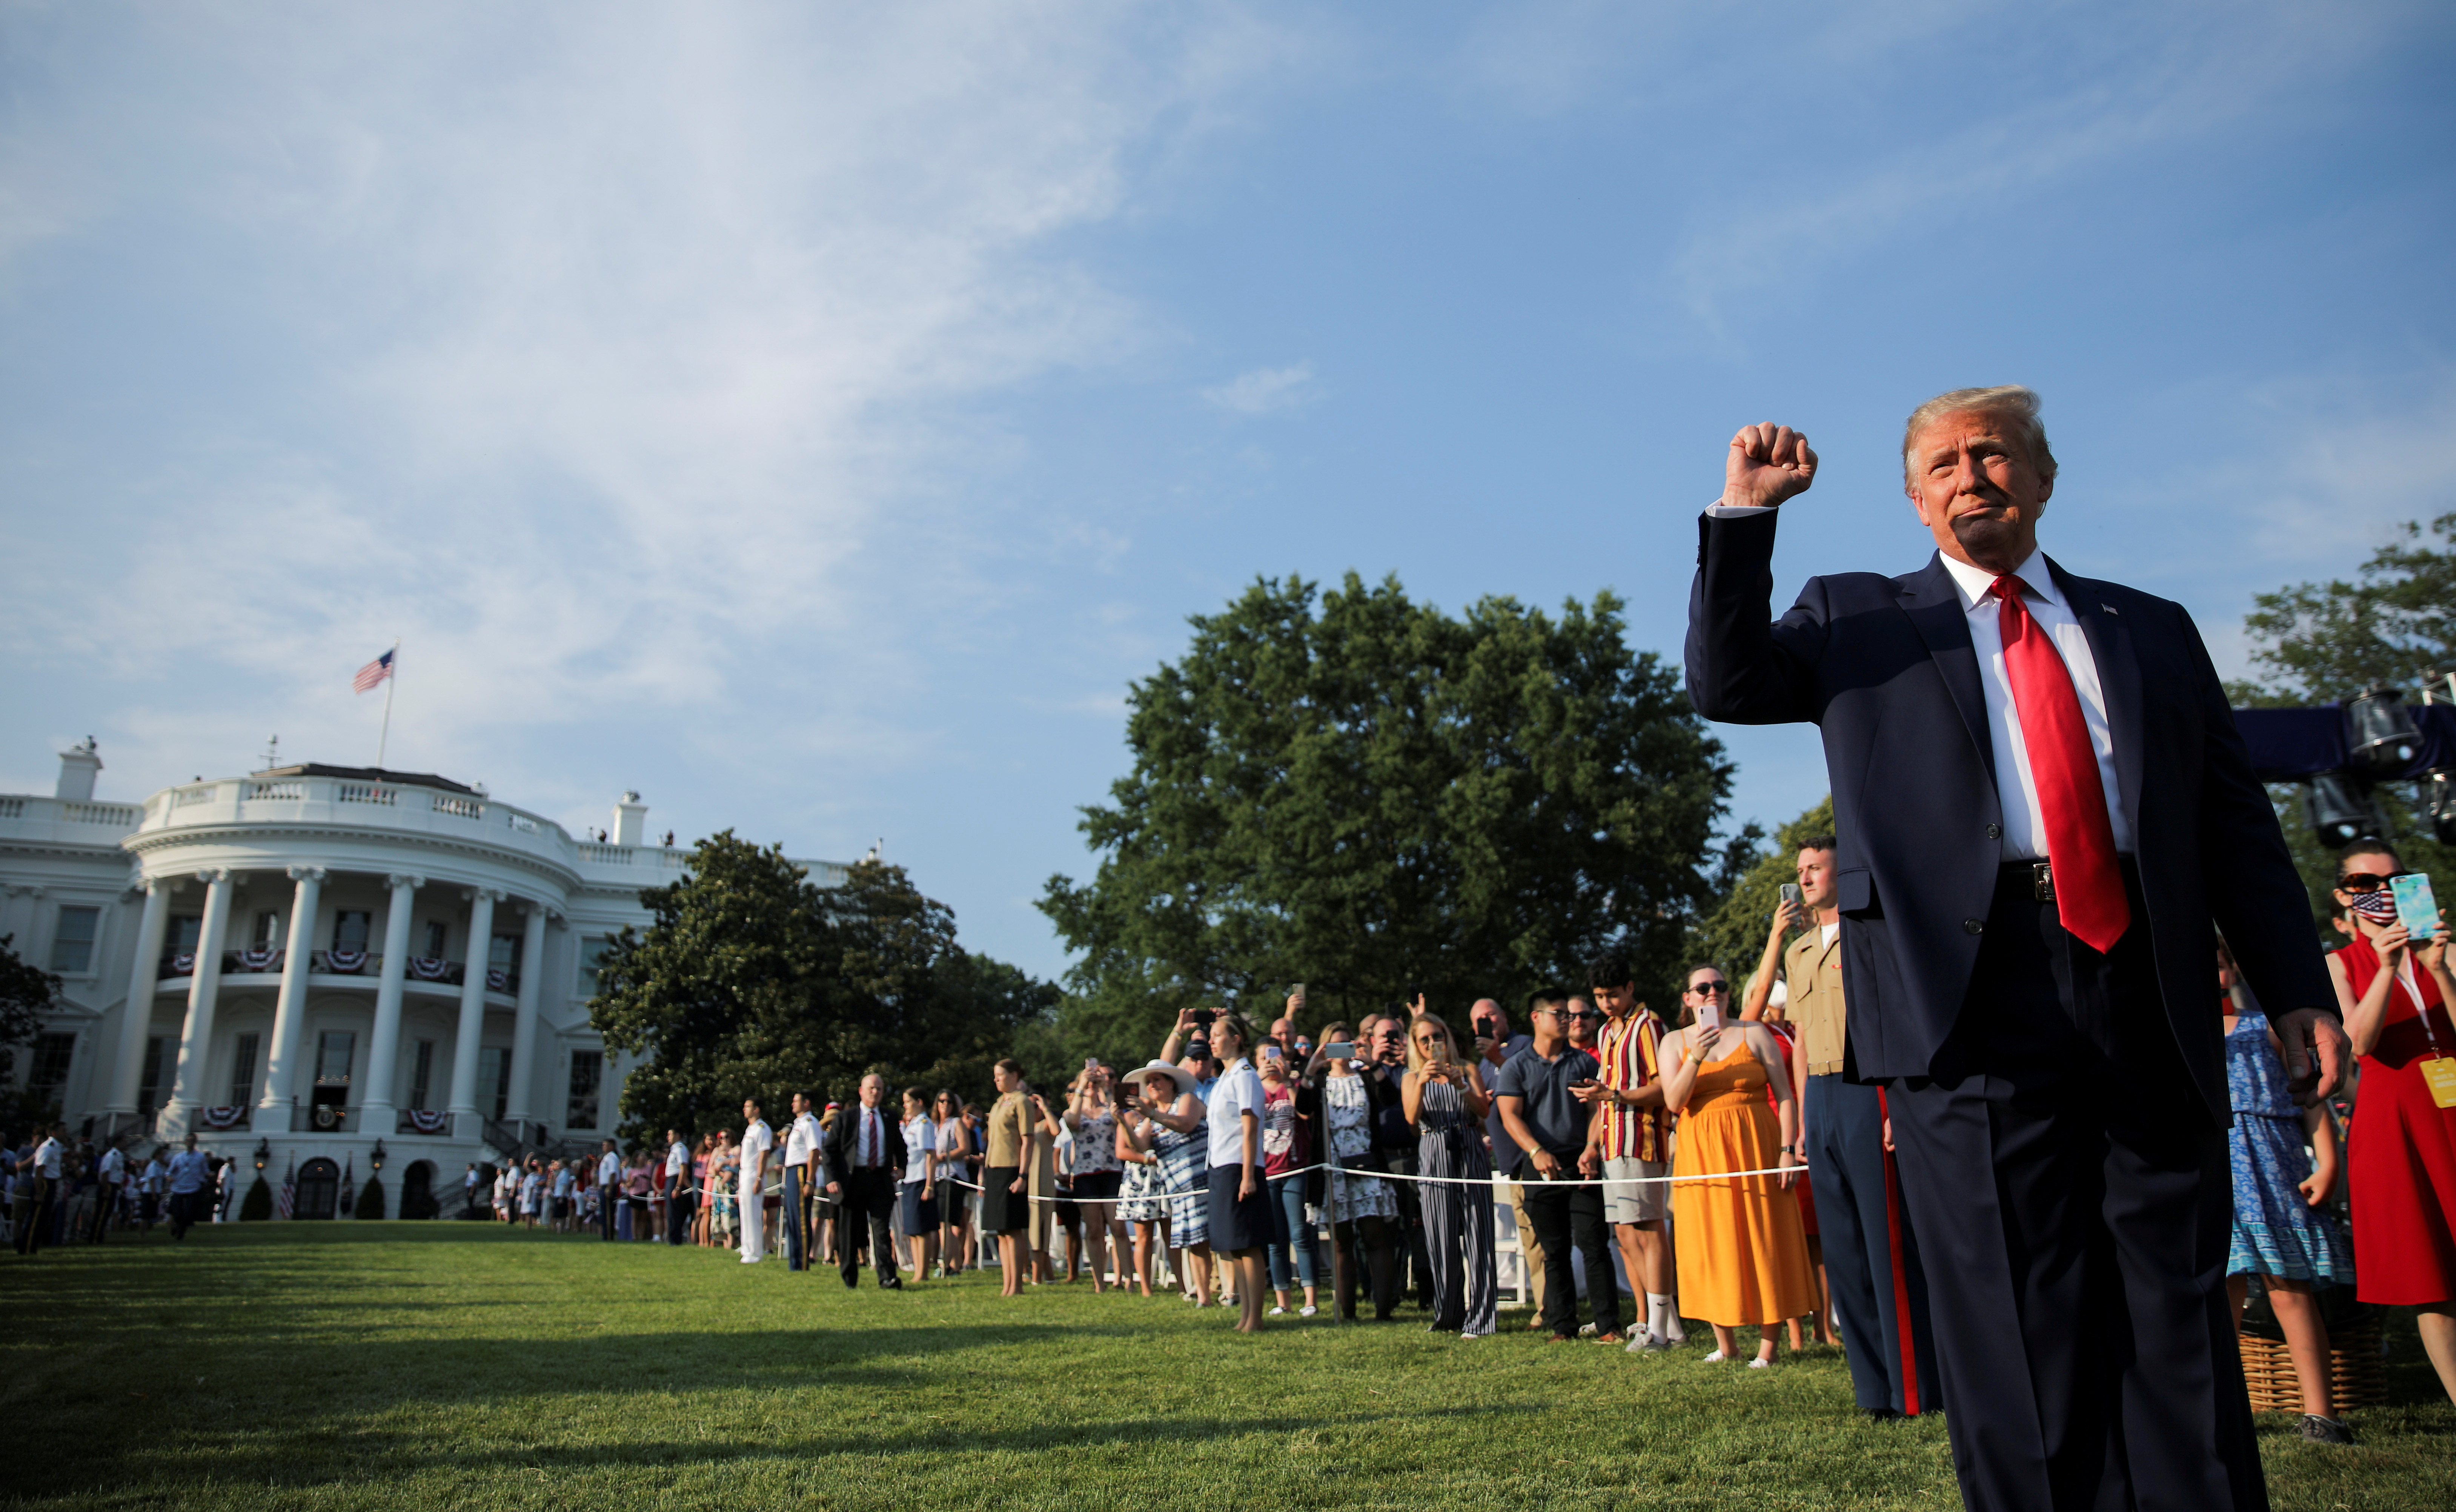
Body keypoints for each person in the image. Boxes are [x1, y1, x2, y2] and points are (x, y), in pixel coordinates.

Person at [1684, 389, 2348, 1511]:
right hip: (1965, 999)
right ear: (1913, 498)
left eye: (1993, 453)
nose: (1968, 475)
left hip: (2146, 983)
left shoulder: (2152, 627)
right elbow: (1727, 682)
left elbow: (2233, 823)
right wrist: (1745, 514)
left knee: (2174, 1300)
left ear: (2042, 478)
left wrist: (2295, 987)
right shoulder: (1856, 618)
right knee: (2011, 1307)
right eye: (1941, 463)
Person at [1743, 838, 1937, 1416]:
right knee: (1845, 1253)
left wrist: (1893, 1105)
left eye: (1814, 867)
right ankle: (1872, 1392)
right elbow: (1794, 1039)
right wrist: (1799, 1123)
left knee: (1888, 1247)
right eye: (1798, 870)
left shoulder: (1870, 936)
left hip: (1866, 1088)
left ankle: (1914, 1390)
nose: (1803, 878)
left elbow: (1895, 1023)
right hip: (1821, 1100)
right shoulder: (1800, 951)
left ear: (1840, 871)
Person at [2324, 841, 2456, 1406]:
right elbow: (2358, 1041)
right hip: (2396, 1120)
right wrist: (2386, 965)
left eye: (2394, 880)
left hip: (2449, 1106)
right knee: (2431, 1275)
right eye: (2362, 884)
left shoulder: (2442, 948)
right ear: (2343, 896)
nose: (2379, 892)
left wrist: (2438, 969)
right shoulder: (2338, 962)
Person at [2219, 940, 2358, 1442]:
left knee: (2289, 1290)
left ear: (2233, 967)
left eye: (2215, 964)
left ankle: (2321, 1414)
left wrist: (2326, 1163)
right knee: (2219, 1294)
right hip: (2215, 1175)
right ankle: (2218, 1409)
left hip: (2273, 1172)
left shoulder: (2266, 1028)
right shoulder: (2177, 1035)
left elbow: (2312, 1103)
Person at [1660, 964, 1817, 1366]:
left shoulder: (1755, 1033)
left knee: (1767, 1235)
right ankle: (1726, 1344)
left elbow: (1784, 1095)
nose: (1713, 993)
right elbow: (1674, 1102)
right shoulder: (1675, 1041)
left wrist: (1787, 1148)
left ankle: (1769, 1348)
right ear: (1688, 998)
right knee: (1711, 1240)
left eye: (1720, 986)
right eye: (1703, 987)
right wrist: (1696, 1055)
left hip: (1757, 1145)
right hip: (1702, 1154)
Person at [1493, 990, 1621, 1344]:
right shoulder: (1517, 1066)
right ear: (1536, 1018)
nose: (1568, 1020)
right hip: (1540, 1166)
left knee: (1595, 1246)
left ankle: (1609, 1325)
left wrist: (1592, 1147)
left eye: (1569, 1014)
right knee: (1554, 1250)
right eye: (1559, 1014)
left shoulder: (1582, 1063)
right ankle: (1562, 1327)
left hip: (1582, 1164)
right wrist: (1535, 1151)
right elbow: (1510, 1115)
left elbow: (1597, 1110)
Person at [1575, 951, 1678, 1352]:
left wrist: (1617, 1096)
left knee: (1650, 1228)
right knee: (1624, 1232)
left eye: (1613, 995)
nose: (1606, 1003)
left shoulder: (1649, 1026)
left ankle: (1662, 1327)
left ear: (1631, 988)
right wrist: (1592, 1144)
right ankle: (1650, 1319)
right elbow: (1604, 1097)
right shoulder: (1605, 1032)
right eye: (1600, 996)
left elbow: (1663, 1087)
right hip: (1613, 1142)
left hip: (1644, 1137)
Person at [1404, 1011, 1497, 1337]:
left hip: (1469, 1146)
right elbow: (1412, 1120)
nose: (1433, 1044)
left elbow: (1485, 1111)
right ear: (1416, 1045)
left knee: (1479, 1233)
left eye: (1438, 1036)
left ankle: (1483, 1317)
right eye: (1425, 1039)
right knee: (1441, 1237)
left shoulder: (1468, 1069)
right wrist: (1422, 1081)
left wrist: (1461, 1086)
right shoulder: (1410, 1077)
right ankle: (1449, 1314)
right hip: (1433, 1150)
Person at [1314, 1024, 1399, 1321]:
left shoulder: (1364, 1077)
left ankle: (1384, 1310)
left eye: (1345, 1044)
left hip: (1367, 1162)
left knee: (1375, 1235)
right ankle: (1347, 1312)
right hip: (1333, 1167)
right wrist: (1313, 1069)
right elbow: (1303, 1107)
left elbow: (1390, 1097)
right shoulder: (1321, 1080)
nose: (1341, 1050)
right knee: (1341, 1242)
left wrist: (1373, 1062)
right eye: (1334, 1045)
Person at [1123, 1058, 1212, 1305]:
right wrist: (1122, 1121)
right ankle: (1204, 1295)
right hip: (1179, 1189)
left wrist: (1151, 1113)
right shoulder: (1153, 1117)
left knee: (1210, 1242)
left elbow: (1185, 1124)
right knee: (1194, 1243)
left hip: (1202, 1182)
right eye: (1148, 1082)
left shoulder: (1186, 1100)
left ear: (1171, 1083)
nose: (1152, 1086)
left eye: (1157, 1080)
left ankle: (1226, 1291)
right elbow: (1140, 1145)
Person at [1205, 1013, 1273, 1332]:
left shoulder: (1246, 1075)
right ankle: (1245, 1315)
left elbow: (1250, 1128)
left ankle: (1255, 1318)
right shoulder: (1225, 1077)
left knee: (1248, 1243)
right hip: (1221, 1166)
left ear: (1235, 1039)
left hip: (1240, 1166)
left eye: (1217, 1034)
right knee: (1234, 1245)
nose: (1211, 1040)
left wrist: (1248, 1175)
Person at [1258, 1039, 1322, 1317]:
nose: (1269, 1062)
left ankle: (1311, 1299)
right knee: (1276, 1239)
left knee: (1300, 1234)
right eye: (1263, 1058)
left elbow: (1304, 1112)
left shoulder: (1291, 1085)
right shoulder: (1252, 1089)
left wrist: (1288, 1081)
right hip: (1267, 1172)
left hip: (1295, 1169)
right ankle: (1282, 1300)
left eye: (1273, 1057)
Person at [822, 1073, 903, 1289]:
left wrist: (902, 1168)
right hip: (852, 1181)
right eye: (871, 1088)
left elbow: (900, 1146)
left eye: (879, 1089)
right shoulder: (845, 1118)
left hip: (880, 1180)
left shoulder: (889, 1117)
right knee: (849, 1232)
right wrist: (832, 1179)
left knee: (881, 1232)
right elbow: (829, 1151)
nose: (875, 1092)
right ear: (861, 1091)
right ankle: (850, 1278)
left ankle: (887, 1278)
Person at [1065, 1063, 1127, 1293]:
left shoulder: (1108, 1108)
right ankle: (1099, 1282)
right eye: (1088, 1080)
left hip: (1112, 1172)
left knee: (1118, 1229)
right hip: (1085, 1175)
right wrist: (1082, 1086)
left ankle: (1128, 1280)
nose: (1092, 1085)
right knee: (1093, 1230)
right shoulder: (1074, 1112)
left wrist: (1106, 1089)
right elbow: (1071, 1121)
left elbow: (1121, 1116)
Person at [982, 1060, 1037, 1297]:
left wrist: (1023, 1175)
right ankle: (1007, 1283)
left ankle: (1018, 1285)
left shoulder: (1021, 1101)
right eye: (995, 1076)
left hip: (1012, 1169)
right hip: (994, 1169)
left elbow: (1028, 1140)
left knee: (1013, 1229)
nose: (997, 1080)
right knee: (1002, 1230)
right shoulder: (998, 1104)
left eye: (1001, 1075)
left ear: (1014, 1075)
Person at [1116, 1085, 1170, 1297]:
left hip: (1164, 1178)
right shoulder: (1129, 1117)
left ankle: (1184, 1286)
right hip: (1140, 1180)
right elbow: (1122, 1151)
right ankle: (1146, 1288)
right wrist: (1149, 1159)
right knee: (1144, 1236)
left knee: (1170, 1233)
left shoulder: (1166, 1112)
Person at [897, 1085, 940, 1285]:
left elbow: (931, 1155)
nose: (905, 1105)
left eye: (908, 1101)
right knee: (912, 1230)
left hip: (921, 1180)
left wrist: (929, 1186)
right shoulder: (913, 1124)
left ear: (919, 1102)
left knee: (921, 1229)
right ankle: (917, 1268)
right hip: (910, 1180)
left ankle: (922, 1272)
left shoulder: (924, 1124)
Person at [933, 1090, 973, 1277]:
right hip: (937, 1177)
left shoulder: (956, 1123)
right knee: (946, 1223)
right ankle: (955, 1266)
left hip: (953, 1176)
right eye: (942, 1101)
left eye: (949, 1101)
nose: (945, 1104)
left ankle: (946, 1264)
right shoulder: (934, 1125)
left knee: (946, 1222)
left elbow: (966, 1149)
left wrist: (943, 1157)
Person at [779, 1093, 821, 1272]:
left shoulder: (810, 1123)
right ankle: (794, 1262)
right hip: (791, 1171)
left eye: (796, 1101)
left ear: (807, 1103)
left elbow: (814, 1152)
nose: (793, 1104)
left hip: (802, 1171)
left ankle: (802, 1262)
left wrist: (810, 1181)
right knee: (793, 1219)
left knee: (802, 1220)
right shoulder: (799, 1124)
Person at [736, 1100, 773, 1263]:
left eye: (748, 1107)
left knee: (753, 1214)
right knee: (745, 1213)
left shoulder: (762, 1129)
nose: (745, 1109)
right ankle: (746, 1247)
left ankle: (755, 1252)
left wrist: (759, 1178)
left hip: (754, 1173)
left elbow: (764, 1154)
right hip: (745, 1172)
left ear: (757, 1109)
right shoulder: (750, 1129)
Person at [165, 1133, 211, 1240]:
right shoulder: (178, 1157)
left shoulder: (200, 1157)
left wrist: (210, 1175)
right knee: (177, 1213)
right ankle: (177, 1225)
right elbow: (169, 1173)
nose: (190, 1142)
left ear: (195, 1142)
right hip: (179, 1188)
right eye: (188, 1140)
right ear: (185, 1142)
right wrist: (170, 1178)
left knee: (188, 1213)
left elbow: (205, 1170)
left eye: (192, 1140)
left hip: (193, 1188)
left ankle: (181, 1234)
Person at [663, 1129, 691, 1246]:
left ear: (678, 1135)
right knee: (670, 1211)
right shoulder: (674, 1149)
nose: (668, 1137)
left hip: (675, 1180)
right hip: (670, 1179)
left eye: (671, 1134)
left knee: (674, 1211)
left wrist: (678, 1187)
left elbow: (683, 1168)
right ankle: (672, 1238)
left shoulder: (680, 1149)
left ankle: (676, 1239)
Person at [596, 1139, 621, 1241]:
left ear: (611, 1146)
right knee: (604, 1212)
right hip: (603, 1186)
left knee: (608, 1212)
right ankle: (605, 1235)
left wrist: (609, 1188)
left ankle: (609, 1236)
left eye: (605, 1145)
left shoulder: (612, 1158)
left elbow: (613, 1173)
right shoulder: (606, 1158)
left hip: (608, 1186)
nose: (603, 1147)